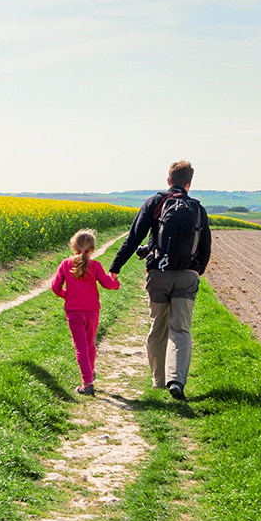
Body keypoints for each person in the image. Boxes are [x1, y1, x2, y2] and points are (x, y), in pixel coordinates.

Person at [108, 160, 212, 401]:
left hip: (158, 275)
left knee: (158, 327)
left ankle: (158, 381)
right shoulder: (197, 209)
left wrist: (116, 266)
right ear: (189, 183)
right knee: (181, 329)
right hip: (187, 276)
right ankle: (176, 380)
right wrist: (198, 271)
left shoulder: (156, 202)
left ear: (168, 180)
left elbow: (134, 236)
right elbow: (206, 246)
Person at [51, 228, 121, 394]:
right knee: (90, 344)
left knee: (81, 347)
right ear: (93, 249)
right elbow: (108, 284)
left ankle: (87, 383)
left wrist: (67, 296)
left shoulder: (65, 264)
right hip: (92, 312)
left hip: (74, 312)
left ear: (73, 247)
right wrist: (116, 282)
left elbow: (55, 287)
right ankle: (90, 372)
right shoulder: (95, 266)